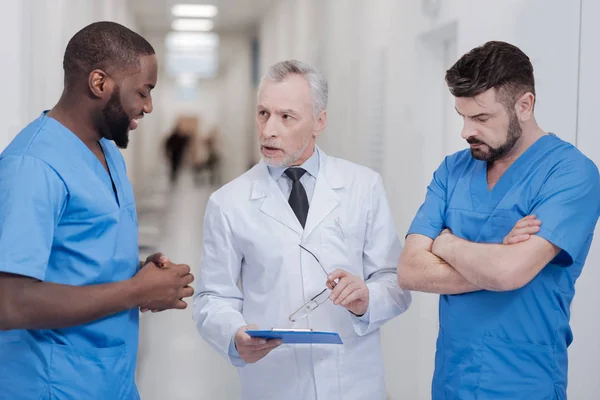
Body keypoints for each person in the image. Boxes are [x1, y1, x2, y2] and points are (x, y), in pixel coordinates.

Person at [193, 60, 411, 400]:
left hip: (353, 380)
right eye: (263, 113)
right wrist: (234, 334)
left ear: (319, 122)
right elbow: (212, 297)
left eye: (286, 117)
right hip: (274, 382)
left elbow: (396, 281)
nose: (268, 130)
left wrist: (367, 300)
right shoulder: (228, 202)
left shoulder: (363, 187)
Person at [0, 22, 194, 400]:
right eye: (143, 91)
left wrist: (142, 277)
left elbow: (82, 261)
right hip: (52, 384)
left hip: (108, 379)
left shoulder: (107, 153)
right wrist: (134, 291)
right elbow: (10, 303)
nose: (149, 106)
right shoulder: (32, 166)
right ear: (99, 83)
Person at [397, 41, 600, 399]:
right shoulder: (453, 170)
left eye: (481, 118)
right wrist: (496, 261)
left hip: (525, 383)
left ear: (524, 105)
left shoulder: (571, 174)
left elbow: (509, 273)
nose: (466, 131)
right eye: (462, 116)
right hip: (451, 381)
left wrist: (445, 243)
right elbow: (411, 270)